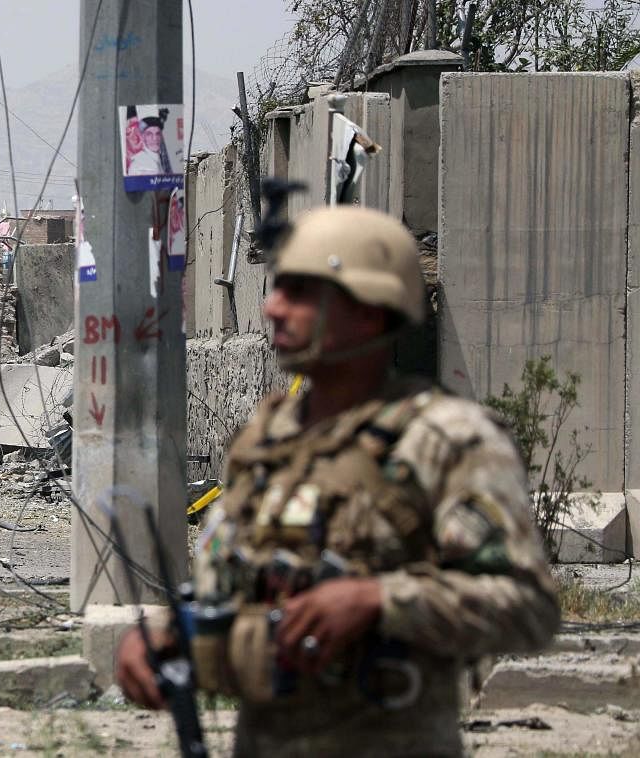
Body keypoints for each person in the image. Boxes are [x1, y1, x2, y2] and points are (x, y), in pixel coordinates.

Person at [114, 205, 559, 756]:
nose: (272, 307)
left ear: (370, 312)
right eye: (278, 289)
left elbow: (526, 607)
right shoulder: (266, 443)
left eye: (301, 293)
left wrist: (379, 601)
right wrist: (172, 634)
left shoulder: (445, 439)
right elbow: (233, 594)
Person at [128, 109, 172, 176]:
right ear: (143, 137)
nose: (155, 139)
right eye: (149, 134)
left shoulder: (163, 159)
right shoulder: (138, 164)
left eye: (157, 134)